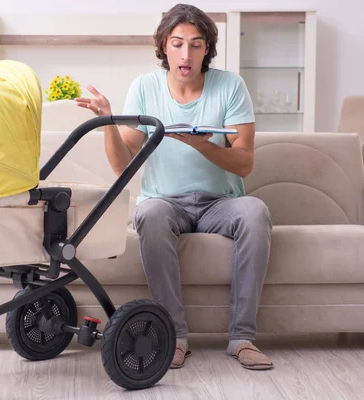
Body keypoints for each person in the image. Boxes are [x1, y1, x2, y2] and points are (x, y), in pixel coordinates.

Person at [75, 4, 273, 370]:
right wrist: (106, 122)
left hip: (221, 203)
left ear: (207, 50)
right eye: (178, 43)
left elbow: (245, 161)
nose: (186, 54)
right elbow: (123, 164)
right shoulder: (144, 87)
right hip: (165, 202)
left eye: (196, 45)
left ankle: (242, 338)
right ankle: (175, 337)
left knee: (255, 211)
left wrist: (202, 144)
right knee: (148, 212)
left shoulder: (230, 86)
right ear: (164, 46)